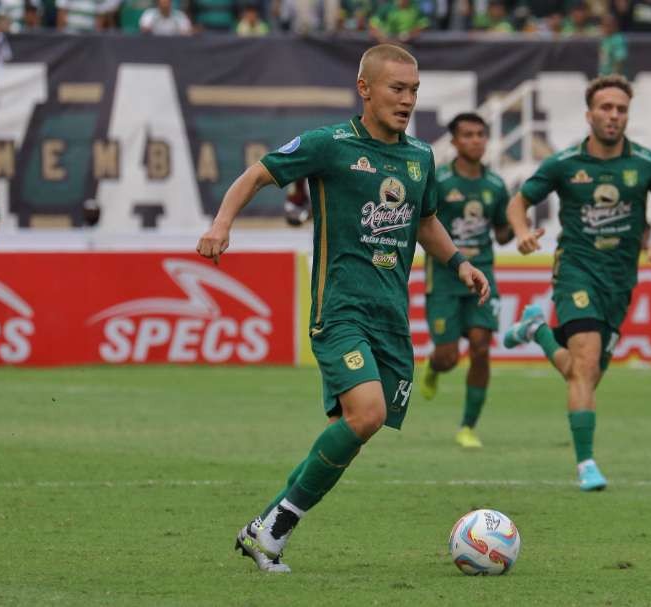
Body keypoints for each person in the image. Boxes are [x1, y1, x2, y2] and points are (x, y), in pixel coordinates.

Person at [196, 44, 489, 573]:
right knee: (367, 413)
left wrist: (459, 263)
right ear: (365, 89)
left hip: (391, 320)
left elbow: (425, 221)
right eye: (397, 89)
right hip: (340, 311)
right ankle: (274, 530)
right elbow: (258, 174)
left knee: (355, 429)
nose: (407, 100)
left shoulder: (420, 157)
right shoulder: (329, 145)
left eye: (414, 90)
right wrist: (221, 224)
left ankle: (262, 531)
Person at [500, 75, 651, 491]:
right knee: (584, 367)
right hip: (576, 271)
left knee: (585, 374)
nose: (613, 115)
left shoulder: (644, 164)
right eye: (605, 108)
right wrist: (522, 231)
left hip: (620, 279)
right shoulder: (565, 163)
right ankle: (586, 463)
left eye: (620, 109)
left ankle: (536, 329)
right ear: (589, 114)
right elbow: (519, 201)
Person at [418, 113, 512, 449]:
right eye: (468, 135)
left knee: (481, 347)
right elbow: (423, 226)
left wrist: (518, 222)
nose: (475, 140)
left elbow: (502, 234)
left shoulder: (496, 186)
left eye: (480, 134)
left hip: (481, 275)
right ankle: (433, 366)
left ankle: (467, 426)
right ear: (455, 142)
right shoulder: (440, 182)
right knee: (447, 357)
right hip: (444, 278)